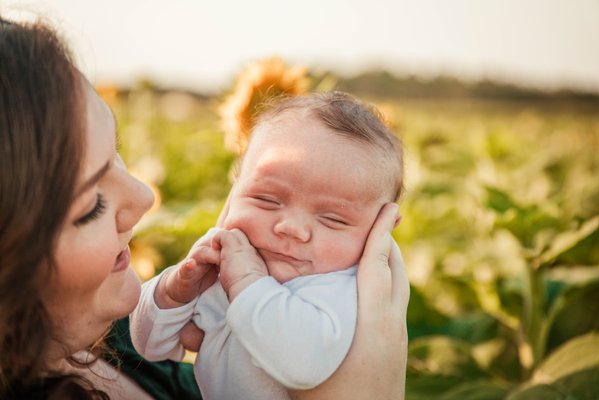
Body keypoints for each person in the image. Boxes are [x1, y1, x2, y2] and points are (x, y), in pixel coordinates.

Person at [0, 15, 409, 400]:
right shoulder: (244, 273)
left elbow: (151, 349)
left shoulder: (337, 290)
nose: (144, 198)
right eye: (91, 204)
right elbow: (154, 339)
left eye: (117, 155)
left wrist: (185, 291)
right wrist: (171, 295)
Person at [130, 92, 404, 399]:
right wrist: (171, 294)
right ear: (235, 192)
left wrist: (248, 283)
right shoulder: (227, 259)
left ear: (377, 233)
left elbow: (303, 366)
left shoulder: (344, 291)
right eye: (266, 199)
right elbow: (150, 346)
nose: (291, 229)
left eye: (332, 219)